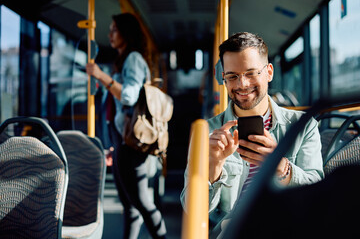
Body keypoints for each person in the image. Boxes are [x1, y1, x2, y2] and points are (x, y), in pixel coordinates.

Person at [180, 32, 324, 228]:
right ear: (224, 79)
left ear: (269, 72)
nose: (242, 84)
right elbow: (192, 209)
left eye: (251, 73)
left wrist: (282, 168)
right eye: (232, 76)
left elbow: (318, 196)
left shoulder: (303, 126)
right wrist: (214, 166)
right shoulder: (206, 133)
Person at [86, 13, 167, 239]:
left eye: (114, 29)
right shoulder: (124, 60)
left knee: (142, 204)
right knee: (132, 207)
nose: (110, 34)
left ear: (126, 33)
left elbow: (129, 97)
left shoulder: (132, 59)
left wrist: (101, 76)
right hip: (123, 141)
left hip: (132, 144)